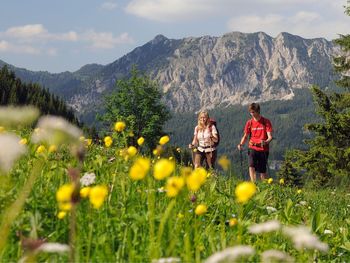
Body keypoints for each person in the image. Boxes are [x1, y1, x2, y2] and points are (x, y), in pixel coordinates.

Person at [237, 103, 273, 181]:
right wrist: (241, 144)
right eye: (251, 112)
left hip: (263, 148)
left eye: (253, 112)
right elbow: (245, 136)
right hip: (252, 147)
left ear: (258, 111)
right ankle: (254, 183)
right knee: (251, 165)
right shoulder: (249, 123)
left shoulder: (265, 122)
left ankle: (264, 185)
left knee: (262, 170)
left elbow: (270, 137)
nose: (252, 114)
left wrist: (266, 142)